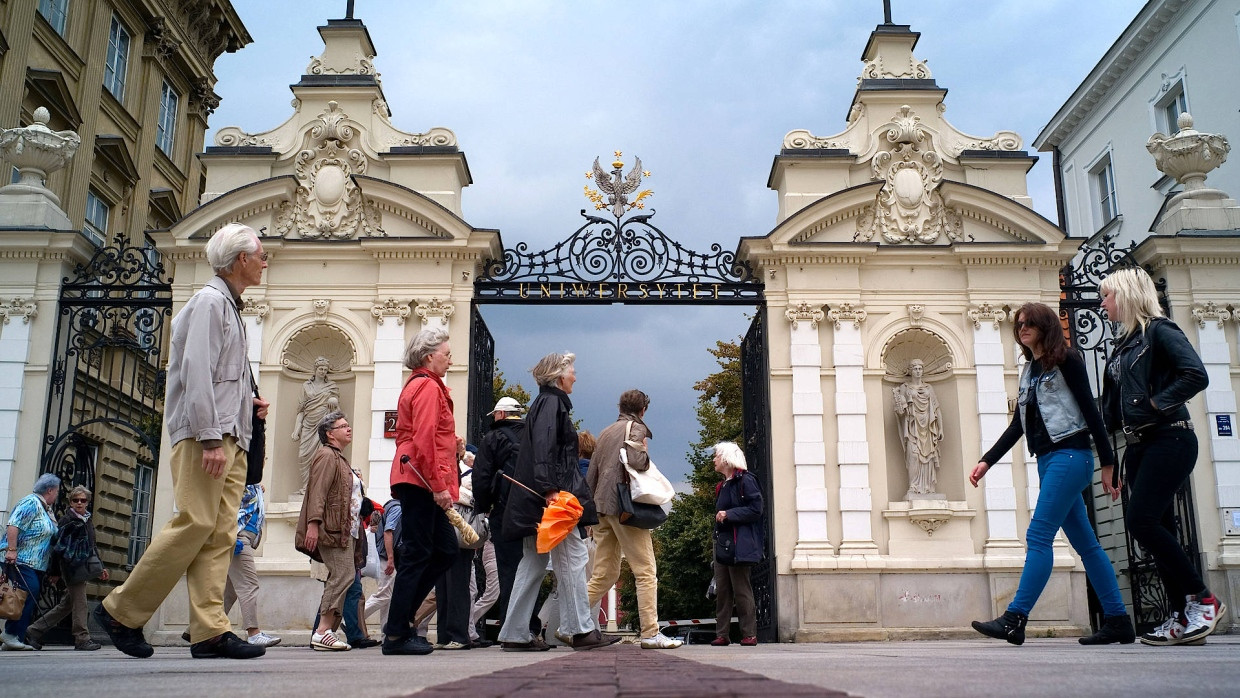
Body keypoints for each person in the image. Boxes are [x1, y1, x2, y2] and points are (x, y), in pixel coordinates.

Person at [94, 221, 268, 660]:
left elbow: (220, 377)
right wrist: (210, 437)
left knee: (219, 533)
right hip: (208, 438)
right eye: (261, 254)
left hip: (229, 436)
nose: (266, 261)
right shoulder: (210, 303)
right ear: (240, 260)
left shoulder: (229, 306)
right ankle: (120, 610)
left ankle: (209, 631)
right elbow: (195, 373)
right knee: (195, 523)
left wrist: (248, 405)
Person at [969, 302, 1134, 646]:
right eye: (1019, 325)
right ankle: (1118, 619)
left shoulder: (1067, 360)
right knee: (1086, 545)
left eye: (1029, 323)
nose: (1022, 329)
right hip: (1049, 460)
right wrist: (987, 461)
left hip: (1070, 456)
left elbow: (1091, 409)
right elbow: (1019, 425)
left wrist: (1108, 462)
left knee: (1038, 536)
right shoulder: (1028, 370)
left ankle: (1015, 618)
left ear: (1046, 326)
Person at [1100, 267, 1222, 645]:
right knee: (1160, 528)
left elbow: (1195, 374)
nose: (1102, 303)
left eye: (1107, 296)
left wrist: (1155, 404)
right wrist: (1112, 460)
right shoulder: (1124, 344)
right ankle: (1180, 615)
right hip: (1139, 446)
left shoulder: (1160, 331)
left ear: (1126, 294)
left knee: (1143, 522)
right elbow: (1112, 409)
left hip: (1170, 438)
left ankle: (1203, 598)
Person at [498, 352, 617, 652]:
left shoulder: (544, 403)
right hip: (552, 499)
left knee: (534, 563)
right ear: (559, 376)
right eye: (572, 371)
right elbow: (545, 447)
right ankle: (579, 630)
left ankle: (514, 632)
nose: (575, 376)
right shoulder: (553, 404)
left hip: (534, 497)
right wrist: (551, 489)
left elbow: (541, 447)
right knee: (574, 559)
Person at [382, 327, 459, 656]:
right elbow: (425, 441)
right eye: (446, 352)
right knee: (419, 554)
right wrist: (438, 487)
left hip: (417, 478)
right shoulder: (428, 386)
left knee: (444, 550)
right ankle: (397, 633)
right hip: (422, 480)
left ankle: (399, 624)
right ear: (430, 356)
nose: (450, 357)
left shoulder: (424, 385)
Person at [586, 390, 682, 649]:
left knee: (604, 575)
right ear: (643, 410)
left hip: (601, 509)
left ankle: (572, 623)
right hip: (625, 508)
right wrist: (645, 453)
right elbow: (636, 462)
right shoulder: (636, 428)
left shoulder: (605, 432)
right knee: (646, 571)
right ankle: (650, 633)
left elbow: (591, 474)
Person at [472, 396, 541, 641]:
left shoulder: (492, 439)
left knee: (509, 570)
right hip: (535, 512)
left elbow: (481, 477)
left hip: (505, 511)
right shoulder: (534, 437)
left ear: (500, 415)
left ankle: (514, 630)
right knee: (533, 568)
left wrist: (483, 507)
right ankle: (532, 626)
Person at [296, 411, 361, 651]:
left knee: (345, 577)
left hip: (343, 529)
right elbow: (318, 492)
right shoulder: (326, 455)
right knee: (342, 575)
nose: (348, 428)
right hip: (331, 529)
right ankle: (322, 630)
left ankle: (327, 632)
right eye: (343, 426)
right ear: (329, 433)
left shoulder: (338, 458)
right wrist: (313, 524)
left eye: (348, 424)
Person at [26, 484, 109, 651]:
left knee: (66, 605)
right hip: (70, 567)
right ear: (70, 502)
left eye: (83, 500)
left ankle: (32, 631)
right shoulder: (67, 520)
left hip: (82, 566)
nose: (79, 503)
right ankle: (82, 638)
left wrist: (100, 567)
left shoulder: (87, 520)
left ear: (87, 502)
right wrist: (55, 572)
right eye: (75, 500)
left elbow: (92, 546)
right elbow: (57, 549)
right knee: (81, 603)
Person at [710, 442, 762, 647]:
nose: (713, 460)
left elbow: (756, 509)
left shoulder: (746, 481)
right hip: (723, 543)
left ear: (726, 458)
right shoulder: (721, 486)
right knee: (722, 590)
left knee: (741, 589)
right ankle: (722, 634)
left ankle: (749, 634)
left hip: (739, 543)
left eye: (716, 456)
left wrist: (729, 514)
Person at [1, 473, 60, 651]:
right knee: (27, 592)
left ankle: (15, 636)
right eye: (57, 491)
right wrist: (11, 550)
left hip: (35, 563)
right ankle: (11, 634)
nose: (57, 495)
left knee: (27, 595)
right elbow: (14, 525)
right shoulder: (31, 502)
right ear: (50, 490)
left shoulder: (44, 508)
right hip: (21, 559)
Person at [222, 484, 280, 647]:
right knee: (248, 585)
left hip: (242, 536)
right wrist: (231, 536)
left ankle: (199, 630)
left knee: (230, 590)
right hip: (239, 536)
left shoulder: (252, 484)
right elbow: (226, 507)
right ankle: (253, 633)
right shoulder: (238, 478)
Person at [892, 359, 944, 497]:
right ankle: (914, 486)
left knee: (929, 457)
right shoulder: (905, 388)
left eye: (920, 368)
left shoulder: (928, 388)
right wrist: (900, 404)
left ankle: (928, 487)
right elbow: (901, 411)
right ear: (910, 370)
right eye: (915, 368)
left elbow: (937, 409)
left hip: (928, 427)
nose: (918, 371)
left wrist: (940, 429)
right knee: (914, 456)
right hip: (912, 428)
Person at [291, 357, 340, 495]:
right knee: (303, 455)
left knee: (321, 456)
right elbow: (301, 409)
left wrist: (334, 402)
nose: (323, 371)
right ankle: (306, 485)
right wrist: (296, 430)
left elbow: (337, 413)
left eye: (325, 369)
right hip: (308, 423)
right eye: (321, 369)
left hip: (323, 424)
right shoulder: (306, 386)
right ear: (315, 369)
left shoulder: (332, 387)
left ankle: (318, 488)